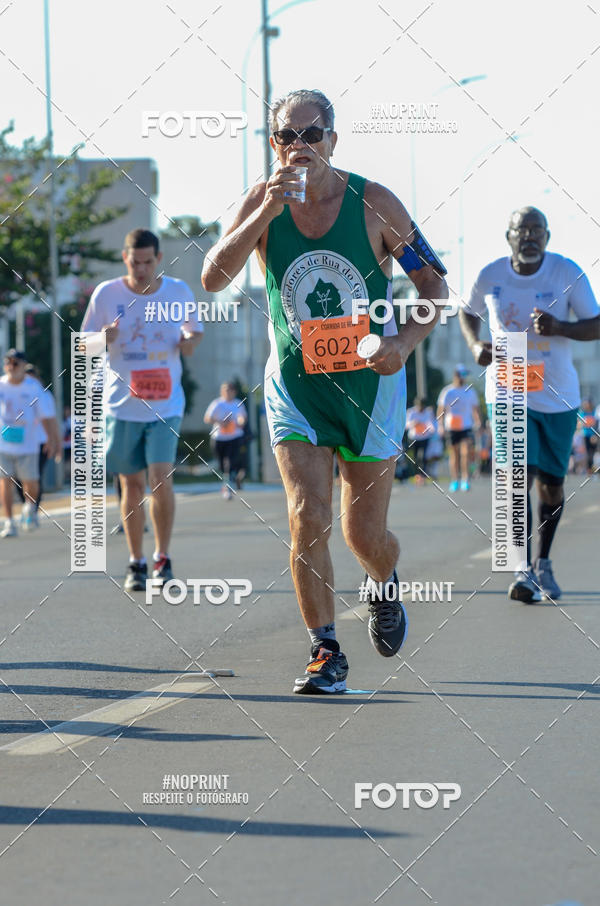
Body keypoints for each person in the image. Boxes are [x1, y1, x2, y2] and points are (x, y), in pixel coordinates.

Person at [202, 88, 448, 693]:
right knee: (306, 516)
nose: (300, 146)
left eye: (312, 134)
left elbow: (435, 286)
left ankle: (383, 583)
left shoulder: (374, 203)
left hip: (371, 386)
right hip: (296, 389)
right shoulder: (259, 202)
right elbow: (213, 278)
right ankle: (325, 650)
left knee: (364, 536)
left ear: (333, 140)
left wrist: (404, 344)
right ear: (274, 144)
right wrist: (265, 213)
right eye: (288, 136)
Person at [459, 206, 600, 602]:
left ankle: (543, 562)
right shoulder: (490, 275)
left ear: (547, 237)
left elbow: (596, 324)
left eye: (537, 230)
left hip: (557, 395)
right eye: (522, 230)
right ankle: (522, 571)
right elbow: (467, 312)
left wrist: (560, 327)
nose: (530, 237)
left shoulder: (566, 272)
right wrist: (474, 345)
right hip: (508, 388)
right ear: (509, 237)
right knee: (519, 475)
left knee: (552, 486)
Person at [81, 228, 203, 591]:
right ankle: (136, 562)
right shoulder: (107, 294)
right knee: (131, 484)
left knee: (160, 477)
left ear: (159, 259)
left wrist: (188, 341)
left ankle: (162, 557)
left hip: (165, 404)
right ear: (125, 258)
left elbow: (195, 333)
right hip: (121, 406)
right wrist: (103, 338)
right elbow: (84, 345)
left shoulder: (177, 291)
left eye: (148, 262)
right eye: (135, 262)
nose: (141, 269)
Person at [0, 350, 59, 537]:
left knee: (31, 482)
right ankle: (9, 522)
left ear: (23, 366)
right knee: (5, 481)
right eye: (8, 363)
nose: (11, 367)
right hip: (4, 443)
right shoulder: (1, 385)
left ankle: (29, 506)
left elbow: (46, 417)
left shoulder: (33, 388)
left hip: (28, 444)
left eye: (15, 363)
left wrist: (51, 439)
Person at [14, 363, 61, 525]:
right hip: (21, 442)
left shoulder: (45, 395)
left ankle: (33, 510)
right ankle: (27, 506)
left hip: (41, 442)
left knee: (35, 476)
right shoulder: (16, 392)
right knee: (18, 477)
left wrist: (55, 442)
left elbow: (52, 421)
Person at [437, 365, 481, 492]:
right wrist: (440, 425)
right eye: (463, 374)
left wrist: (478, 422)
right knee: (454, 454)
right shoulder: (447, 391)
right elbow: (441, 410)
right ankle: (455, 480)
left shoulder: (470, 391)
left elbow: (475, 409)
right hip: (451, 427)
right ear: (456, 375)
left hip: (466, 426)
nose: (464, 377)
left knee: (465, 452)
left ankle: (465, 479)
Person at [204, 382, 248, 499]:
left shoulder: (238, 403)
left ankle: (228, 486)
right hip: (219, 438)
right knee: (221, 465)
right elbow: (207, 418)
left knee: (230, 463)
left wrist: (241, 421)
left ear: (234, 392)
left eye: (229, 390)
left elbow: (242, 417)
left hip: (234, 438)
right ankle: (228, 481)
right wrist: (220, 421)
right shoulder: (217, 403)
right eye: (225, 390)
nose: (227, 393)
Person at [405, 397, 436, 483]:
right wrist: (413, 423)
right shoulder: (411, 412)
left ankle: (423, 475)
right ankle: (417, 475)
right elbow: (406, 425)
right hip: (414, 438)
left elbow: (430, 423)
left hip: (424, 437)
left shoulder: (428, 412)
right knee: (416, 457)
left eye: (422, 406)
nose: (421, 409)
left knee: (423, 456)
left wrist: (432, 429)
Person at [578, 399, 598, 475]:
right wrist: (581, 424)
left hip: (593, 436)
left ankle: (592, 469)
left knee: (593, 453)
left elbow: (596, 424)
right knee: (587, 453)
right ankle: (589, 470)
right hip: (585, 436)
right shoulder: (583, 413)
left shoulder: (594, 413)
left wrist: (594, 435)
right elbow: (579, 424)